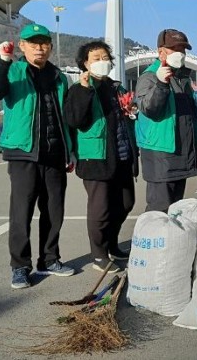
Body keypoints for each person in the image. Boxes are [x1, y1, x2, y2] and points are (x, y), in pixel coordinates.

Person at [0, 23, 75, 289]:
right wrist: (2, 61)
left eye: (44, 43)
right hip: (23, 153)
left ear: (51, 47)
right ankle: (20, 266)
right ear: (22, 46)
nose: (39, 48)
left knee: (54, 210)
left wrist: (71, 150)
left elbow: (64, 118)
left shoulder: (59, 77)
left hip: (55, 153)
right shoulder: (13, 71)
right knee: (21, 212)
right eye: (33, 43)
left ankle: (50, 259)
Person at [64, 41, 138, 273]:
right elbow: (75, 120)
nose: (101, 61)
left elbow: (127, 114)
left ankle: (112, 245)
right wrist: (85, 90)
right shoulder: (79, 89)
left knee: (125, 203)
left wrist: (131, 111)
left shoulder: (117, 88)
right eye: (95, 58)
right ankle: (98, 254)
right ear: (84, 63)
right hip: (96, 157)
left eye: (105, 57)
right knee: (101, 209)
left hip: (122, 154)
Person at [135, 29, 197, 213]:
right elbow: (150, 109)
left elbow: (192, 116)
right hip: (161, 155)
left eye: (183, 49)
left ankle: (172, 242)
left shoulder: (183, 79)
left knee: (175, 209)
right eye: (174, 49)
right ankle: (154, 240)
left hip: (183, 153)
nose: (180, 53)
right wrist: (161, 84)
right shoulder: (149, 77)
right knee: (160, 210)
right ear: (161, 51)